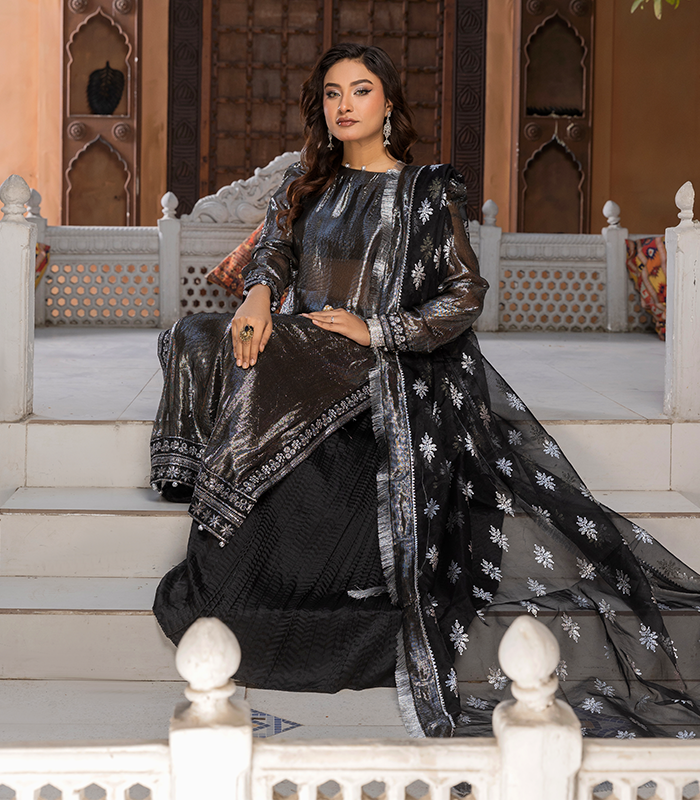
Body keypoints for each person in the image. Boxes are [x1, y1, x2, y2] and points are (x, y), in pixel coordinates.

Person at [152, 43, 700, 739]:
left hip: (378, 362)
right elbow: (275, 252)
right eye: (332, 93)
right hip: (307, 346)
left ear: (388, 103)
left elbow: (464, 294)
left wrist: (376, 328)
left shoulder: (425, 190)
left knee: (267, 360)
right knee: (195, 334)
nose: (344, 105)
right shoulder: (306, 182)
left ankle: (236, 481)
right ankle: (202, 477)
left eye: (360, 90)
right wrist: (258, 294)